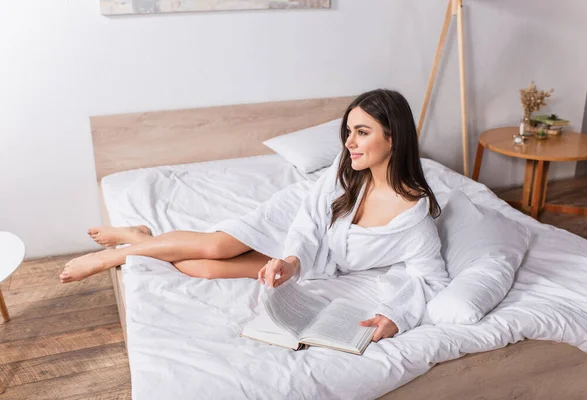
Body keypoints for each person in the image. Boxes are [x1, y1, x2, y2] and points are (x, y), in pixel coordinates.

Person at [60, 89, 450, 341]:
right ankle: (114, 255)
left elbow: (431, 281)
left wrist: (398, 316)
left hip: (318, 261)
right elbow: (309, 219)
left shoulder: (413, 219)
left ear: (393, 138)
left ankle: (141, 237)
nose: (348, 142)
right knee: (216, 245)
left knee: (206, 269)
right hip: (294, 221)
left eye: (362, 132)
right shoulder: (345, 168)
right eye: (348, 130)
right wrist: (294, 256)